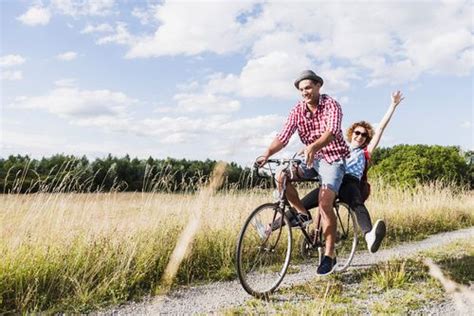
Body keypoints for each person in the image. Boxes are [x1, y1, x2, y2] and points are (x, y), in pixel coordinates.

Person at [258, 70, 349, 276]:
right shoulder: (297, 110)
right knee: (281, 175)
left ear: (318, 86)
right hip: (311, 158)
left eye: (308, 88)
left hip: (332, 158)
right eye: (301, 90)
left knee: (325, 204)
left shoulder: (331, 105)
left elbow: (331, 132)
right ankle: (302, 214)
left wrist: (313, 146)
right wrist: (267, 153)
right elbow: (283, 136)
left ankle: (329, 255)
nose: (305, 93)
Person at [301, 91, 405, 254]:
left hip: (350, 182)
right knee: (302, 204)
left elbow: (380, 129)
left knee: (356, 203)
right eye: (357, 133)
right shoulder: (339, 147)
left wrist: (393, 105)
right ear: (351, 134)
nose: (360, 136)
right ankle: (270, 228)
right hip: (332, 181)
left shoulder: (365, 151)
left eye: (364, 135)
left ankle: (369, 236)